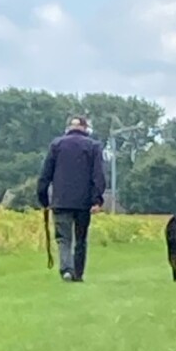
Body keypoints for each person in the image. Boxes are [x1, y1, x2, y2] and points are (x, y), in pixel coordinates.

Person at [37, 115, 106, 282]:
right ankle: (78, 274)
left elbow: (45, 174)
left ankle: (67, 269)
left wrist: (44, 199)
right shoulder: (93, 146)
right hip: (84, 203)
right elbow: (99, 175)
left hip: (60, 201)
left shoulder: (56, 145)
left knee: (63, 238)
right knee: (81, 239)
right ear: (85, 128)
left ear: (68, 128)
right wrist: (97, 199)